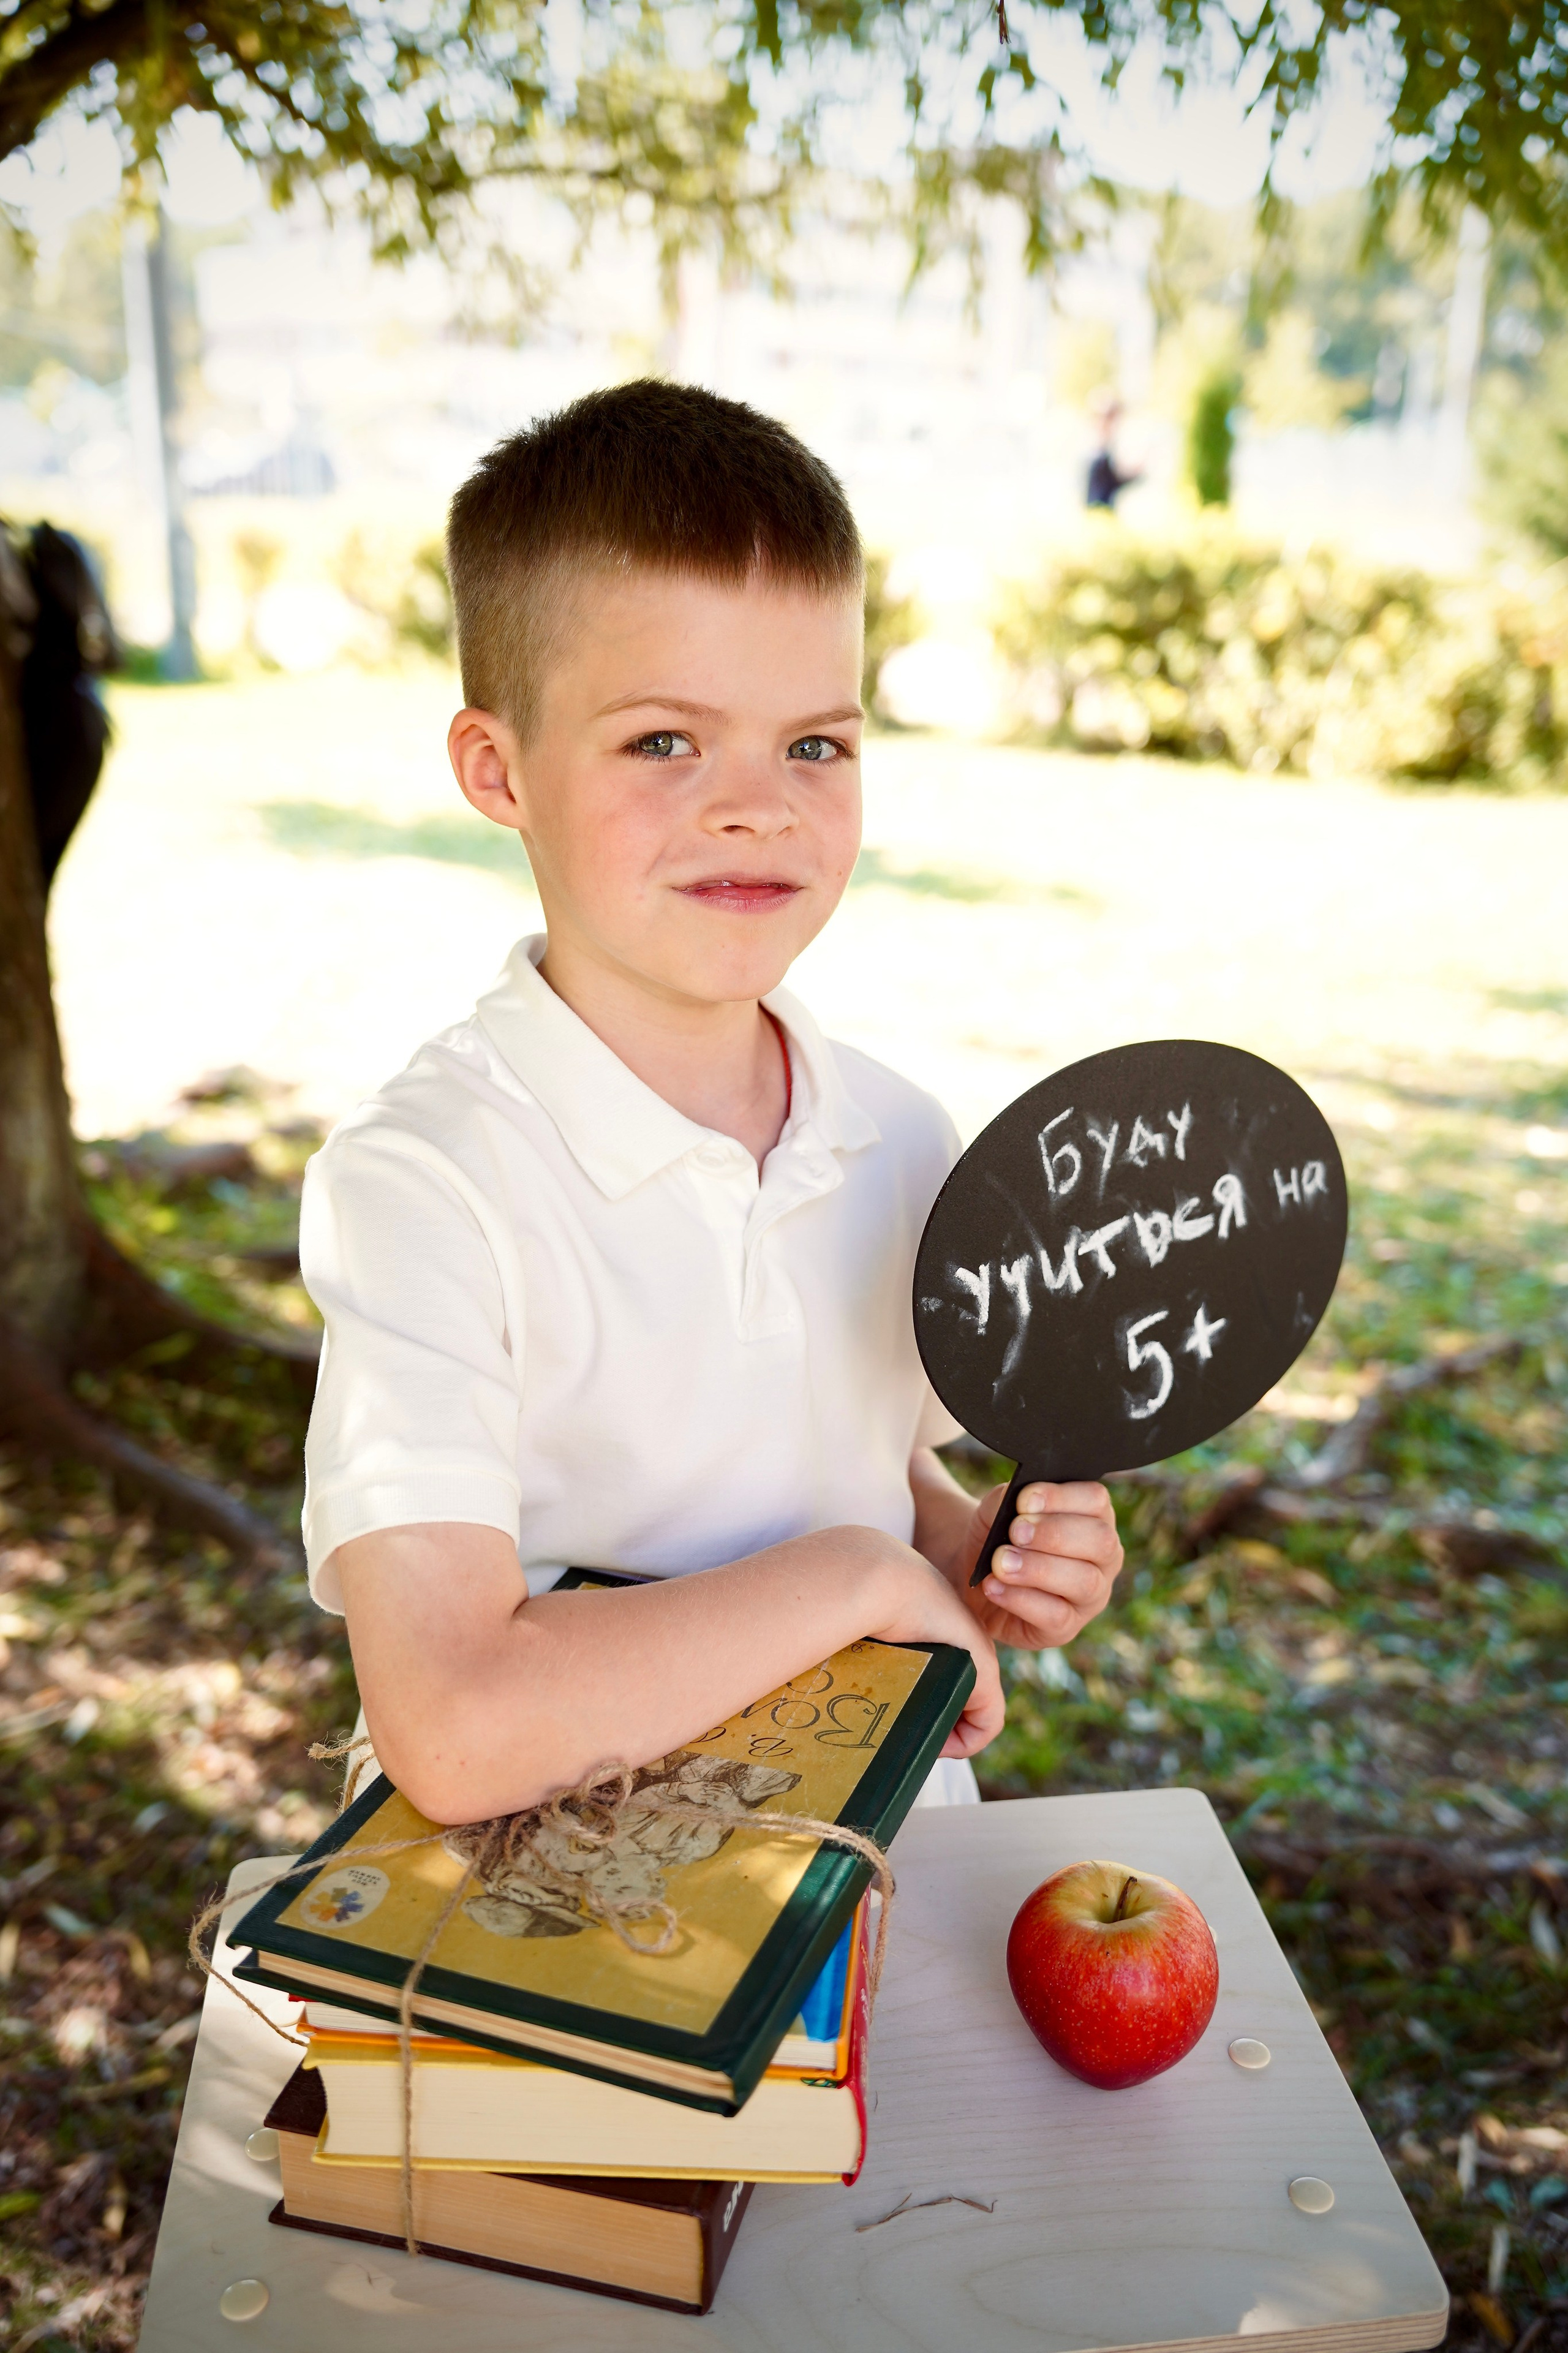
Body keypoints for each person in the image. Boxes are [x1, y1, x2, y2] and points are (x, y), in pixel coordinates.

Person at [299, 380, 1123, 1827]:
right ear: (499, 770)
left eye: (814, 744)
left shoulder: (902, 1138)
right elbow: (455, 1723)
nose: (758, 805)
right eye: (664, 742)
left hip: (876, 1864)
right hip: (558, 1940)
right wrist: (863, 1581)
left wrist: (977, 1546)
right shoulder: (422, 1182)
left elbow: (872, 1472)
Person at [1085, 396, 1142, 512]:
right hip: (1097, 510)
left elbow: (1115, 479)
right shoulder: (1098, 450)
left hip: (1104, 510)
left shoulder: (1107, 448)